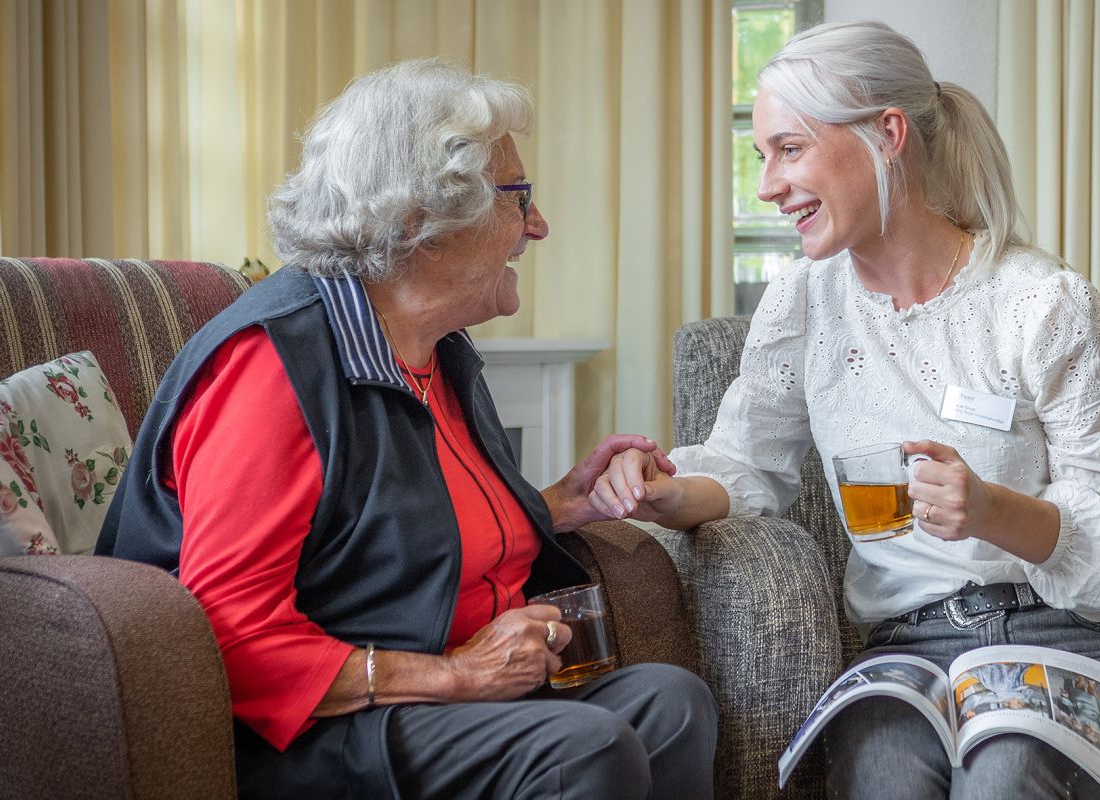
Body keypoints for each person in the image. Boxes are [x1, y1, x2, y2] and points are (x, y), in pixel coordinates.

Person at [590, 20, 1100, 799]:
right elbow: (747, 461)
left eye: (789, 149)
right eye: (763, 155)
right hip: (907, 657)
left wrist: (992, 510)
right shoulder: (803, 302)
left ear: (887, 134)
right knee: (886, 780)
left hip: (1075, 643)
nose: (767, 184)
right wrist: (668, 492)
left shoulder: (1043, 304)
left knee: (1006, 774)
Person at [96, 59, 714, 799]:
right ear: (422, 221)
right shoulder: (274, 367)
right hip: (313, 730)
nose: (538, 226)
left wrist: (559, 501)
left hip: (427, 700)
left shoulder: (434, 350)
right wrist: (456, 676)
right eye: (518, 198)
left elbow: (399, 527)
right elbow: (233, 638)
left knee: (672, 705)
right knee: (582, 747)